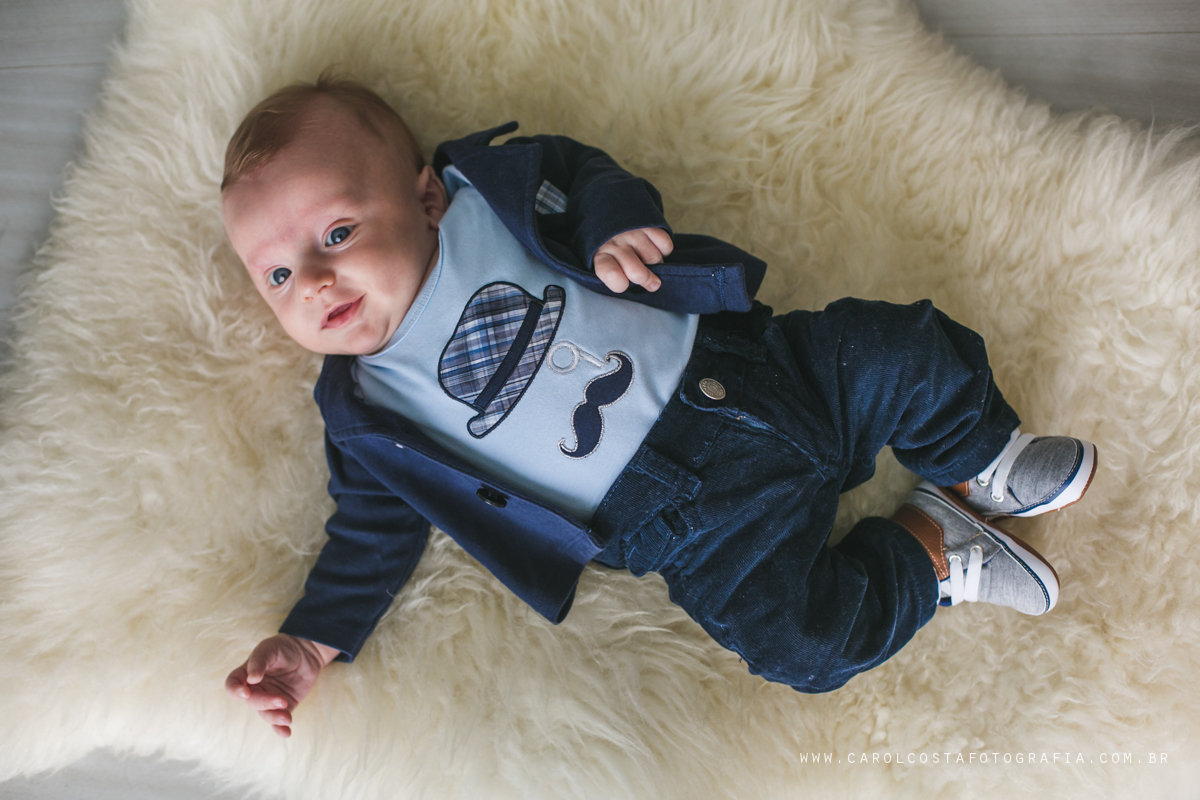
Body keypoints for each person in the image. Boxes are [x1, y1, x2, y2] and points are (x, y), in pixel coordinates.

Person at [220, 76, 1097, 738]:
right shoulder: (366, 411)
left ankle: (981, 454)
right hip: (685, 526)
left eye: (336, 233)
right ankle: (933, 551)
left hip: (750, 367)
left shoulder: (485, 195)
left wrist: (614, 225)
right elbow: (371, 529)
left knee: (900, 349)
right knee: (800, 645)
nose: (316, 280)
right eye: (279, 274)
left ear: (422, 197)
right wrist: (313, 640)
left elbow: (582, 173)